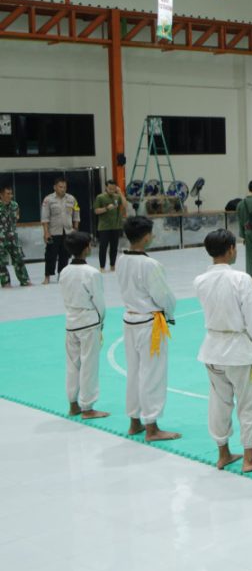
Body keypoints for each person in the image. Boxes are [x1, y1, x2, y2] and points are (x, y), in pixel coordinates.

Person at [193, 229, 252, 473]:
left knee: (219, 403)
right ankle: (249, 458)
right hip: (239, 350)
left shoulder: (200, 281)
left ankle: (223, 453)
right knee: (250, 404)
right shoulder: (240, 279)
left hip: (212, 348)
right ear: (231, 249)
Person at [117, 216, 180, 442]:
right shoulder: (150, 265)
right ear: (146, 237)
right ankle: (151, 426)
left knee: (134, 372)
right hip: (149, 323)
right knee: (152, 374)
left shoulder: (121, 260)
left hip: (130, 320)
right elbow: (164, 296)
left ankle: (134, 421)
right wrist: (170, 313)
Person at [58, 231, 109, 420]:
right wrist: (101, 321)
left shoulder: (64, 271)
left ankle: (73, 404)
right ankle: (87, 407)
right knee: (89, 365)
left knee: (73, 364)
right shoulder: (92, 273)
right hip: (88, 323)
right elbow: (99, 301)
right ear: (86, 248)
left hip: (71, 321)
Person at [41, 176, 80, 284]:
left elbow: (76, 214)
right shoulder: (48, 200)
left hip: (68, 231)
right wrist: (46, 232)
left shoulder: (71, 199)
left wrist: (75, 228)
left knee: (65, 255)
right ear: (55, 187)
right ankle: (47, 277)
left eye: (64, 187)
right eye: (60, 187)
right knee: (50, 255)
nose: (63, 189)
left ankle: (62, 276)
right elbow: (45, 217)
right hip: (53, 232)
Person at [0, 184, 30, 287]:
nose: (10, 196)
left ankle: (24, 280)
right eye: (7, 194)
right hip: (0, 239)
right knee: (1, 262)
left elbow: (16, 217)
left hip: (13, 238)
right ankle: (6, 282)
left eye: (11, 193)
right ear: (1, 195)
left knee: (19, 259)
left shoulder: (15, 205)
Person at [93, 179, 126, 272]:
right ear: (106, 187)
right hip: (104, 227)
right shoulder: (100, 197)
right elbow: (96, 211)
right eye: (110, 188)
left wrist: (120, 193)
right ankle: (102, 267)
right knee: (103, 247)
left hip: (116, 226)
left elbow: (125, 205)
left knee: (114, 248)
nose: (111, 190)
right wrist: (106, 208)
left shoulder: (117, 197)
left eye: (113, 188)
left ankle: (112, 265)